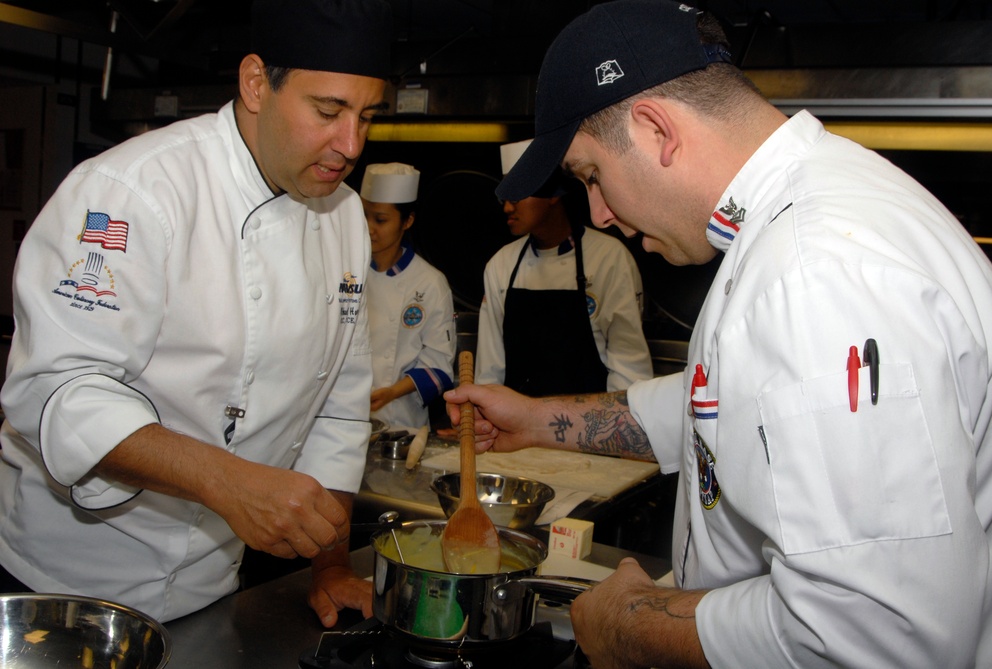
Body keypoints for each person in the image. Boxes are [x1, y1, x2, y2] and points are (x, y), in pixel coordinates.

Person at [446, 1, 992, 667]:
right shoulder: (802, 219)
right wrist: (539, 419)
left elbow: (870, 634)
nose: (600, 212)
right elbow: (724, 404)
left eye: (592, 176)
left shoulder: (815, 271)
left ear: (656, 130)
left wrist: (634, 623)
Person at [0, 0, 392, 625]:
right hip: (67, 583)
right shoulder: (131, 192)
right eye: (328, 111)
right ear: (256, 83)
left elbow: (338, 403)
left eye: (367, 117)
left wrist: (331, 564)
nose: (350, 145)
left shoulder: (343, 213)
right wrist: (227, 481)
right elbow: (56, 390)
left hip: (214, 581)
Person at [476, 138, 652, 397]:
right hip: (517, 432)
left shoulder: (609, 259)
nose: (507, 206)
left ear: (553, 194)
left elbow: (628, 370)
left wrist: (611, 434)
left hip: (590, 432)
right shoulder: (500, 265)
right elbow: (489, 373)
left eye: (518, 192)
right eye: (505, 194)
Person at [362, 162, 456, 429]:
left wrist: (390, 393)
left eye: (380, 220)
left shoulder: (430, 283)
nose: (369, 228)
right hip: (344, 418)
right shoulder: (345, 272)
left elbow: (439, 366)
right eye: (364, 216)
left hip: (402, 422)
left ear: (408, 221)